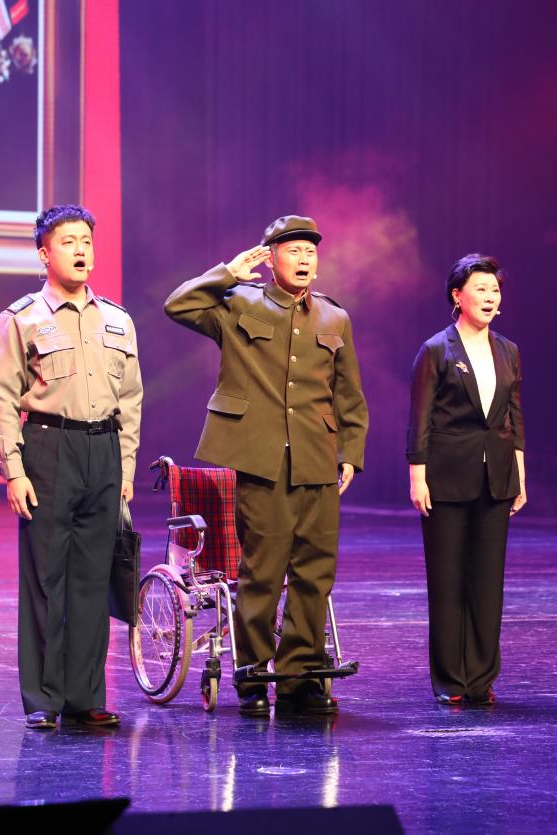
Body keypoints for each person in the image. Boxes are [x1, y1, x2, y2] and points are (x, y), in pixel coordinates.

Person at [164, 215, 369, 716]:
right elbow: (177, 305)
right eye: (293, 251)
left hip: (316, 458)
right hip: (260, 458)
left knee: (315, 571)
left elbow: (349, 395)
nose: (303, 259)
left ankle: (300, 677)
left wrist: (350, 454)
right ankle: (254, 672)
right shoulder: (238, 302)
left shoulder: (334, 317)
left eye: (310, 252)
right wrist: (226, 273)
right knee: (263, 571)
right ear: (270, 258)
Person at [0, 204, 143, 729]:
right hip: (48, 448)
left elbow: (131, 401)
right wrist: (14, 471)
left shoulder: (118, 319)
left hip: (104, 451)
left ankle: (84, 697)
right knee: (46, 579)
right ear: (44, 254)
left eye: (86, 241)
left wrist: (125, 469)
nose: (81, 251)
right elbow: (3, 401)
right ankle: (43, 699)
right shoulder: (21, 318)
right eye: (68, 242)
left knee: (92, 579)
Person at [407, 254, 526, 706]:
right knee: (447, 580)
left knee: (488, 583)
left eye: (495, 290)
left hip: (496, 478)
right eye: (481, 289)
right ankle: (450, 680)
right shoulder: (436, 349)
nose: (490, 297)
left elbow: (514, 418)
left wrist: (519, 476)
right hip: (446, 477)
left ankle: (480, 677)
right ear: (458, 296)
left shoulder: (508, 350)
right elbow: (419, 419)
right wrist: (418, 476)